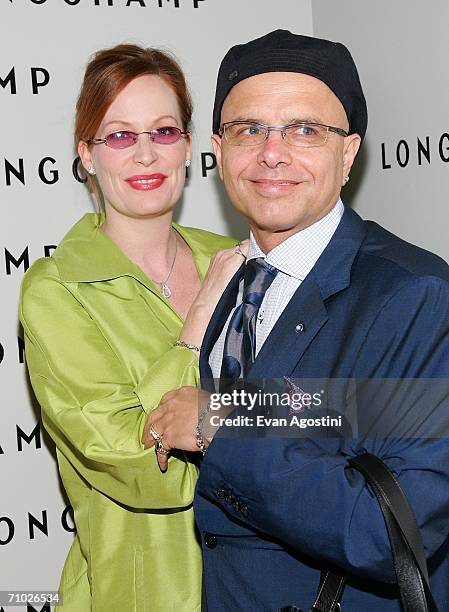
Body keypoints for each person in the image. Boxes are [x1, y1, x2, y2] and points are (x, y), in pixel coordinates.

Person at [146, 30, 449, 610]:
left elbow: (389, 534)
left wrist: (218, 429)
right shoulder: (231, 283)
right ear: (218, 148)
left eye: (306, 130)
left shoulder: (415, 296)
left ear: (349, 152)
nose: (272, 152)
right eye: (248, 129)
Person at [19, 44, 245, 612]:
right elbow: (141, 465)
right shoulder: (56, 290)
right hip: (144, 594)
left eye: (164, 132)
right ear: (86, 156)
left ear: (189, 149)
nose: (145, 154)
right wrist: (197, 322)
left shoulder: (238, 259)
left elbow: (309, 415)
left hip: (263, 585)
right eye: (119, 136)